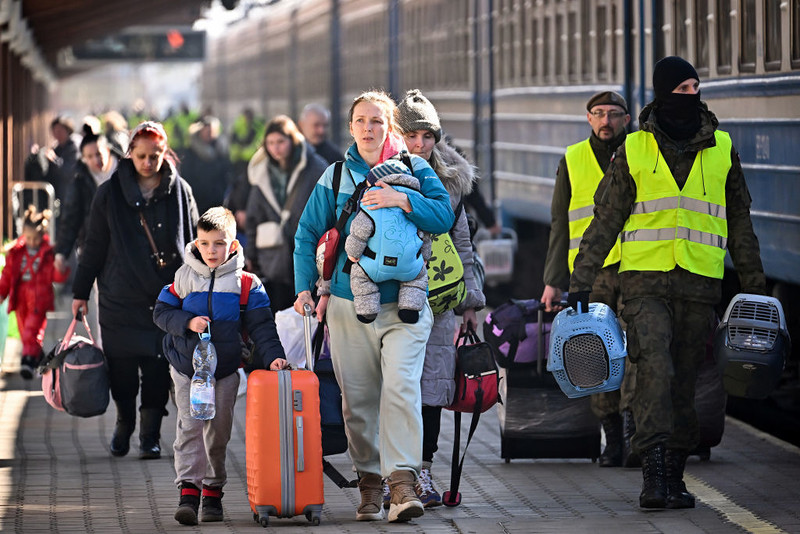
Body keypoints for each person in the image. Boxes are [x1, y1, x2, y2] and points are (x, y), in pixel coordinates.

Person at [569, 56, 766, 510]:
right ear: (662, 93)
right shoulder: (635, 148)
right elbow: (606, 219)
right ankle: (654, 474)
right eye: (681, 89)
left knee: (683, 382)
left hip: (699, 284)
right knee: (654, 371)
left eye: (695, 87)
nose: (690, 96)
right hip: (644, 285)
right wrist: (582, 280)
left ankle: (674, 474)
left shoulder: (722, 148)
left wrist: (754, 285)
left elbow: (739, 221)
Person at [293, 90, 454, 523]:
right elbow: (307, 233)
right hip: (350, 303)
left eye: (377, 121)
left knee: (401, 387)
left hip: (407, 303)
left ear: (391, 129)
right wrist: (304, 288)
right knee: (359, 400)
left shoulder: (416, 169)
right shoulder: (335, 176)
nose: (369, 128)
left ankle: (402, 483)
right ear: (351, 128)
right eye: (361, 121)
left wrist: (403, 200)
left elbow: (444, 217)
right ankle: (369, 481)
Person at [71, 121, 199, 460]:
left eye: (155, 155)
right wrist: (80, 292)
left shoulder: (180, 190)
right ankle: (125, 421)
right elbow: (94, 245)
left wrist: (199, 290)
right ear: (130, 154)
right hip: (119, 296)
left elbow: (193, 243)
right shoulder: (109, 193)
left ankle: (150, 435)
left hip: (165, 299)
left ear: (165, 153)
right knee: (122, 370)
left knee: (158, 367)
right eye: (141, 156)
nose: (148, 162)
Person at [153, 207, 288, 526]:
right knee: (190, 426)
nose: (211, 250)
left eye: (218, 243)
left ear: (233, 244)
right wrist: (188, 322)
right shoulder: (183, 278)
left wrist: (273, 356)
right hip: (188, 368)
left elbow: (262, 326)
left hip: (225, 369)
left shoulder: (247, 285)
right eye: (204, 243)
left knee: (218, 433)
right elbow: (161, 313)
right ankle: (189, 492)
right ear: (195, 243)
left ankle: (213, 491)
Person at [396, 88, 486, 507]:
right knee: (398, 389)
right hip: (391, 298)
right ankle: (396, 475)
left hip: (440, 300)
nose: (419, 145)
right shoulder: (380, 175)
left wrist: (470, 304)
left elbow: (463, 245)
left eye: (427, 136)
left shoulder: (450, 182)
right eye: (411, 135)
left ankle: (424, 472)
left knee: (432, 388)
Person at [540, 91, 638, 468]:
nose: (606, 121)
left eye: (614, 114)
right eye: (599, 114)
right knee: (596, 355)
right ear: (588, 118)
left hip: (634, 267)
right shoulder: (573, 158)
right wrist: (554, 280)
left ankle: (633, 433)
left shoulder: (642, 154)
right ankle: (612, 438)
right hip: (590, 274)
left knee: (635, 356)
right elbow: (560, 223)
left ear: (627, 119)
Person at [245, 114, 327, 312]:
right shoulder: (261, 171)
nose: (275, 148)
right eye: (270, 143)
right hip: (273, 255)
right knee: (280, 312)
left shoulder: (314, 166)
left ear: (293, 139)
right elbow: (253, 215)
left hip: (308, 246)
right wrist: (250, 254)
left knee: (310, 308)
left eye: (281, 141)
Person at [0, 206, 69, 378]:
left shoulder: (47, 254)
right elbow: (8, 275)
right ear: (23, 235)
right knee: (25, 332)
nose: (31, 242)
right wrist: (2, 292)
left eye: (35, 239)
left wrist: (59, 270)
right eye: (28, 238)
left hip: (39, 299)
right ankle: (40, 359)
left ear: (42, 236)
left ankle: (27, 363)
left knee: (32, 330)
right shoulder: (16, 254)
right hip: (21, 298)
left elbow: (55, 276)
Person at [54, 126, 119, 273]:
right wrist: (61, 253)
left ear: (107, 151)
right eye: (89, 157)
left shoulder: (125, 170)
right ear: (84, 159)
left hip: (124, 243)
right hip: (93, 244)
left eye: (99, 154)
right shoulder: (80, 179)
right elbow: (71, 216)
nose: (96, 160)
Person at [180, 115, 232, 215]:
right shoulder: (191, 152)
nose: (209, 133)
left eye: (212, 130)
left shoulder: (220, 149)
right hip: (198, 201)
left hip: (217, 200)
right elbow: (187, 175)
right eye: (206, 130)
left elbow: (226, 172)